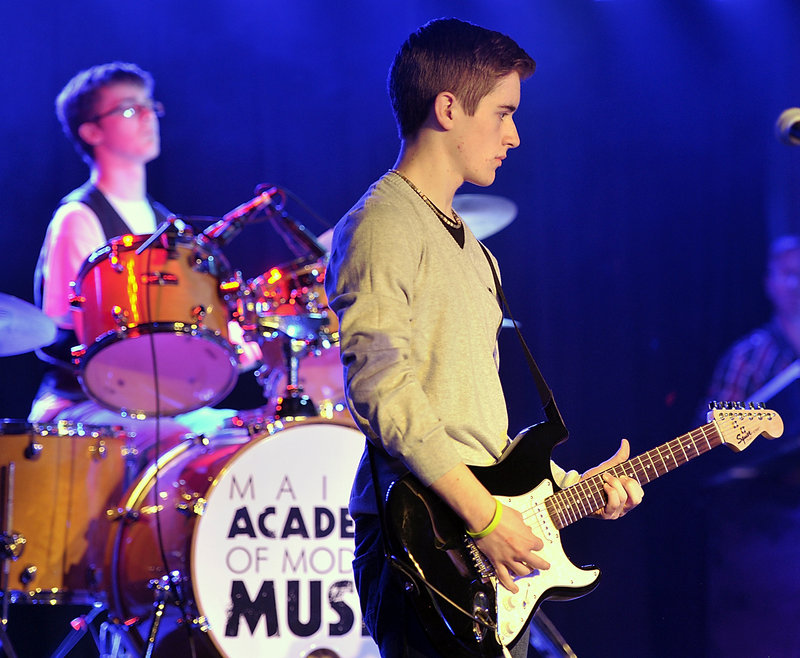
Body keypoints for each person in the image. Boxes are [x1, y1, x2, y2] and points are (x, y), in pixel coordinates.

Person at [324, 18, 644, 658]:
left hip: (473, 525)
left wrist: (565, 487)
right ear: (448, 108)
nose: (514, 135)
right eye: (502, 113)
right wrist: (487, 516)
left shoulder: (475, 252)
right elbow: (382, 389)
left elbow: (471, 425)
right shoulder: (383, 224)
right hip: (426, 532)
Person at [29, 61, 257, 463]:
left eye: (151, 106)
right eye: (130, 109)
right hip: (81, 410)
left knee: (251, 436)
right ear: (92, 131)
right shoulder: (79, 218)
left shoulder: (163, 224)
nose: (149, 116)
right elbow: (66, 335)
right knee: (199, 443)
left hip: (154, 406)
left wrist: (232, 342)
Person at [698, 235, 800, 436]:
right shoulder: (746, 357)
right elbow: (710, 437)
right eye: (787, 273)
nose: (794, 284)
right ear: (769, 284)